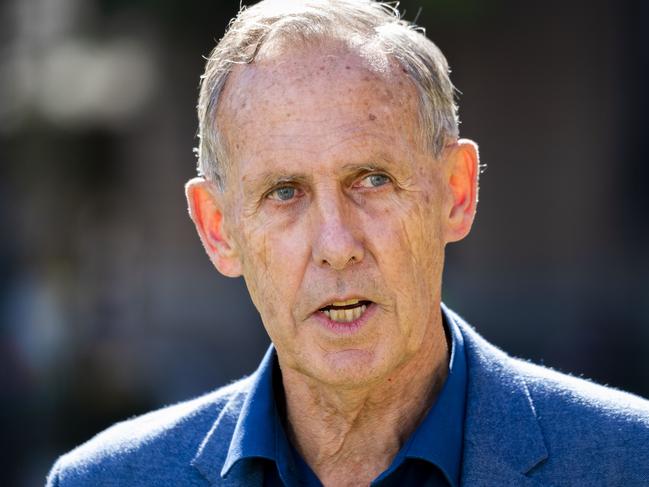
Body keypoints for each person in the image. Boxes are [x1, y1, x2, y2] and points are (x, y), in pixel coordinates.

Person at [47, 0, 649, 485]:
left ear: (456, 193)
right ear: (218, 230)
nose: (337, 245)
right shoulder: (106, 479)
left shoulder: (629, 462)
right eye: (285, 193)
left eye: (372, 180)